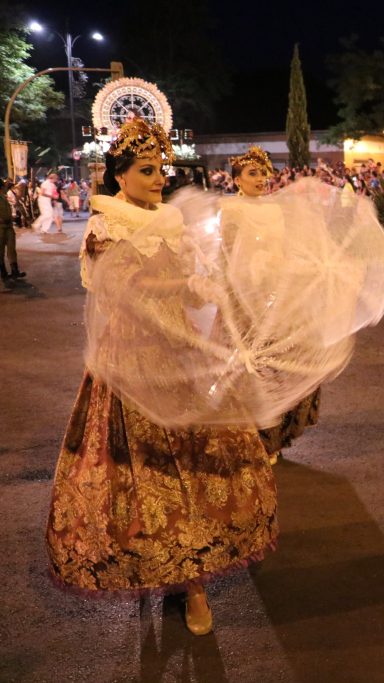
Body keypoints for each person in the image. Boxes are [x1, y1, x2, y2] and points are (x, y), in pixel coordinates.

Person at [45, 119, 277, 636]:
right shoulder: (107, 225)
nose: (158, 179)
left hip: (177, 358)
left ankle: (192, 582)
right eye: (146, 171)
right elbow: (123, 293)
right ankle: (160, 568)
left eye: (161, 169)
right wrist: (181, 289)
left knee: (193, 470)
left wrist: (208, 287)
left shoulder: (172, 225)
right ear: (119, 176)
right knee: (145, 476)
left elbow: (182, 294)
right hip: (130, 365)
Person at [224, 146, 321, 465]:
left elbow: (284, 248)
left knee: (281, 364)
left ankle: (275, 436)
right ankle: (252, 437)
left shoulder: (276, 209)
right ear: (236, 179)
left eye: (264, 172)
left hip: (277, 295)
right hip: (245, 297)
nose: (261, 178)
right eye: (252, 173)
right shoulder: (232, 209)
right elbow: (225, 255)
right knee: (252, 367)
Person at [0, 180, 25, 286]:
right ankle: (3, 273)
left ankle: (15, 270)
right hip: (0, 227)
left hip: (9, 226)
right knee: (0, 251)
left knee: (11, 249)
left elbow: (16, 200)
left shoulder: (4, 195)